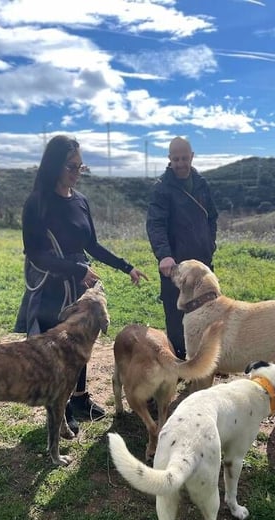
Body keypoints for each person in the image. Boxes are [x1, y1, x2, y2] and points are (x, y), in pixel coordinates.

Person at [14, 135, 148, 434]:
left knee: (81, 344)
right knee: (58, 352)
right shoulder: (37, 202)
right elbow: (35, 253)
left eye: (80, 167)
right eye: (71, 166)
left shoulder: (80, 200)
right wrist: (76, 269)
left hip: (80, 284)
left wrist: (126, 267)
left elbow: (92, 244)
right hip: (52, 286)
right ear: (55, 165)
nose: (77, 172)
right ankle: (57, 409)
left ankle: (79, 398)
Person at [146, 136, 218, 360]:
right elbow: (155, 223)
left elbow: (212, 217)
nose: (180, 163)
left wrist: (210, 243)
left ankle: (207, 359)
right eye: (176, 158)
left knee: (208, 309)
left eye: (184, 158)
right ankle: (179, 362)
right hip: (175, 266)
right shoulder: (162, 188)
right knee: (176, 314)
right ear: (169, 159)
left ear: (192, 156)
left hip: (203, 262)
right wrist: (164, 255)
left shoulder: (201, 183)